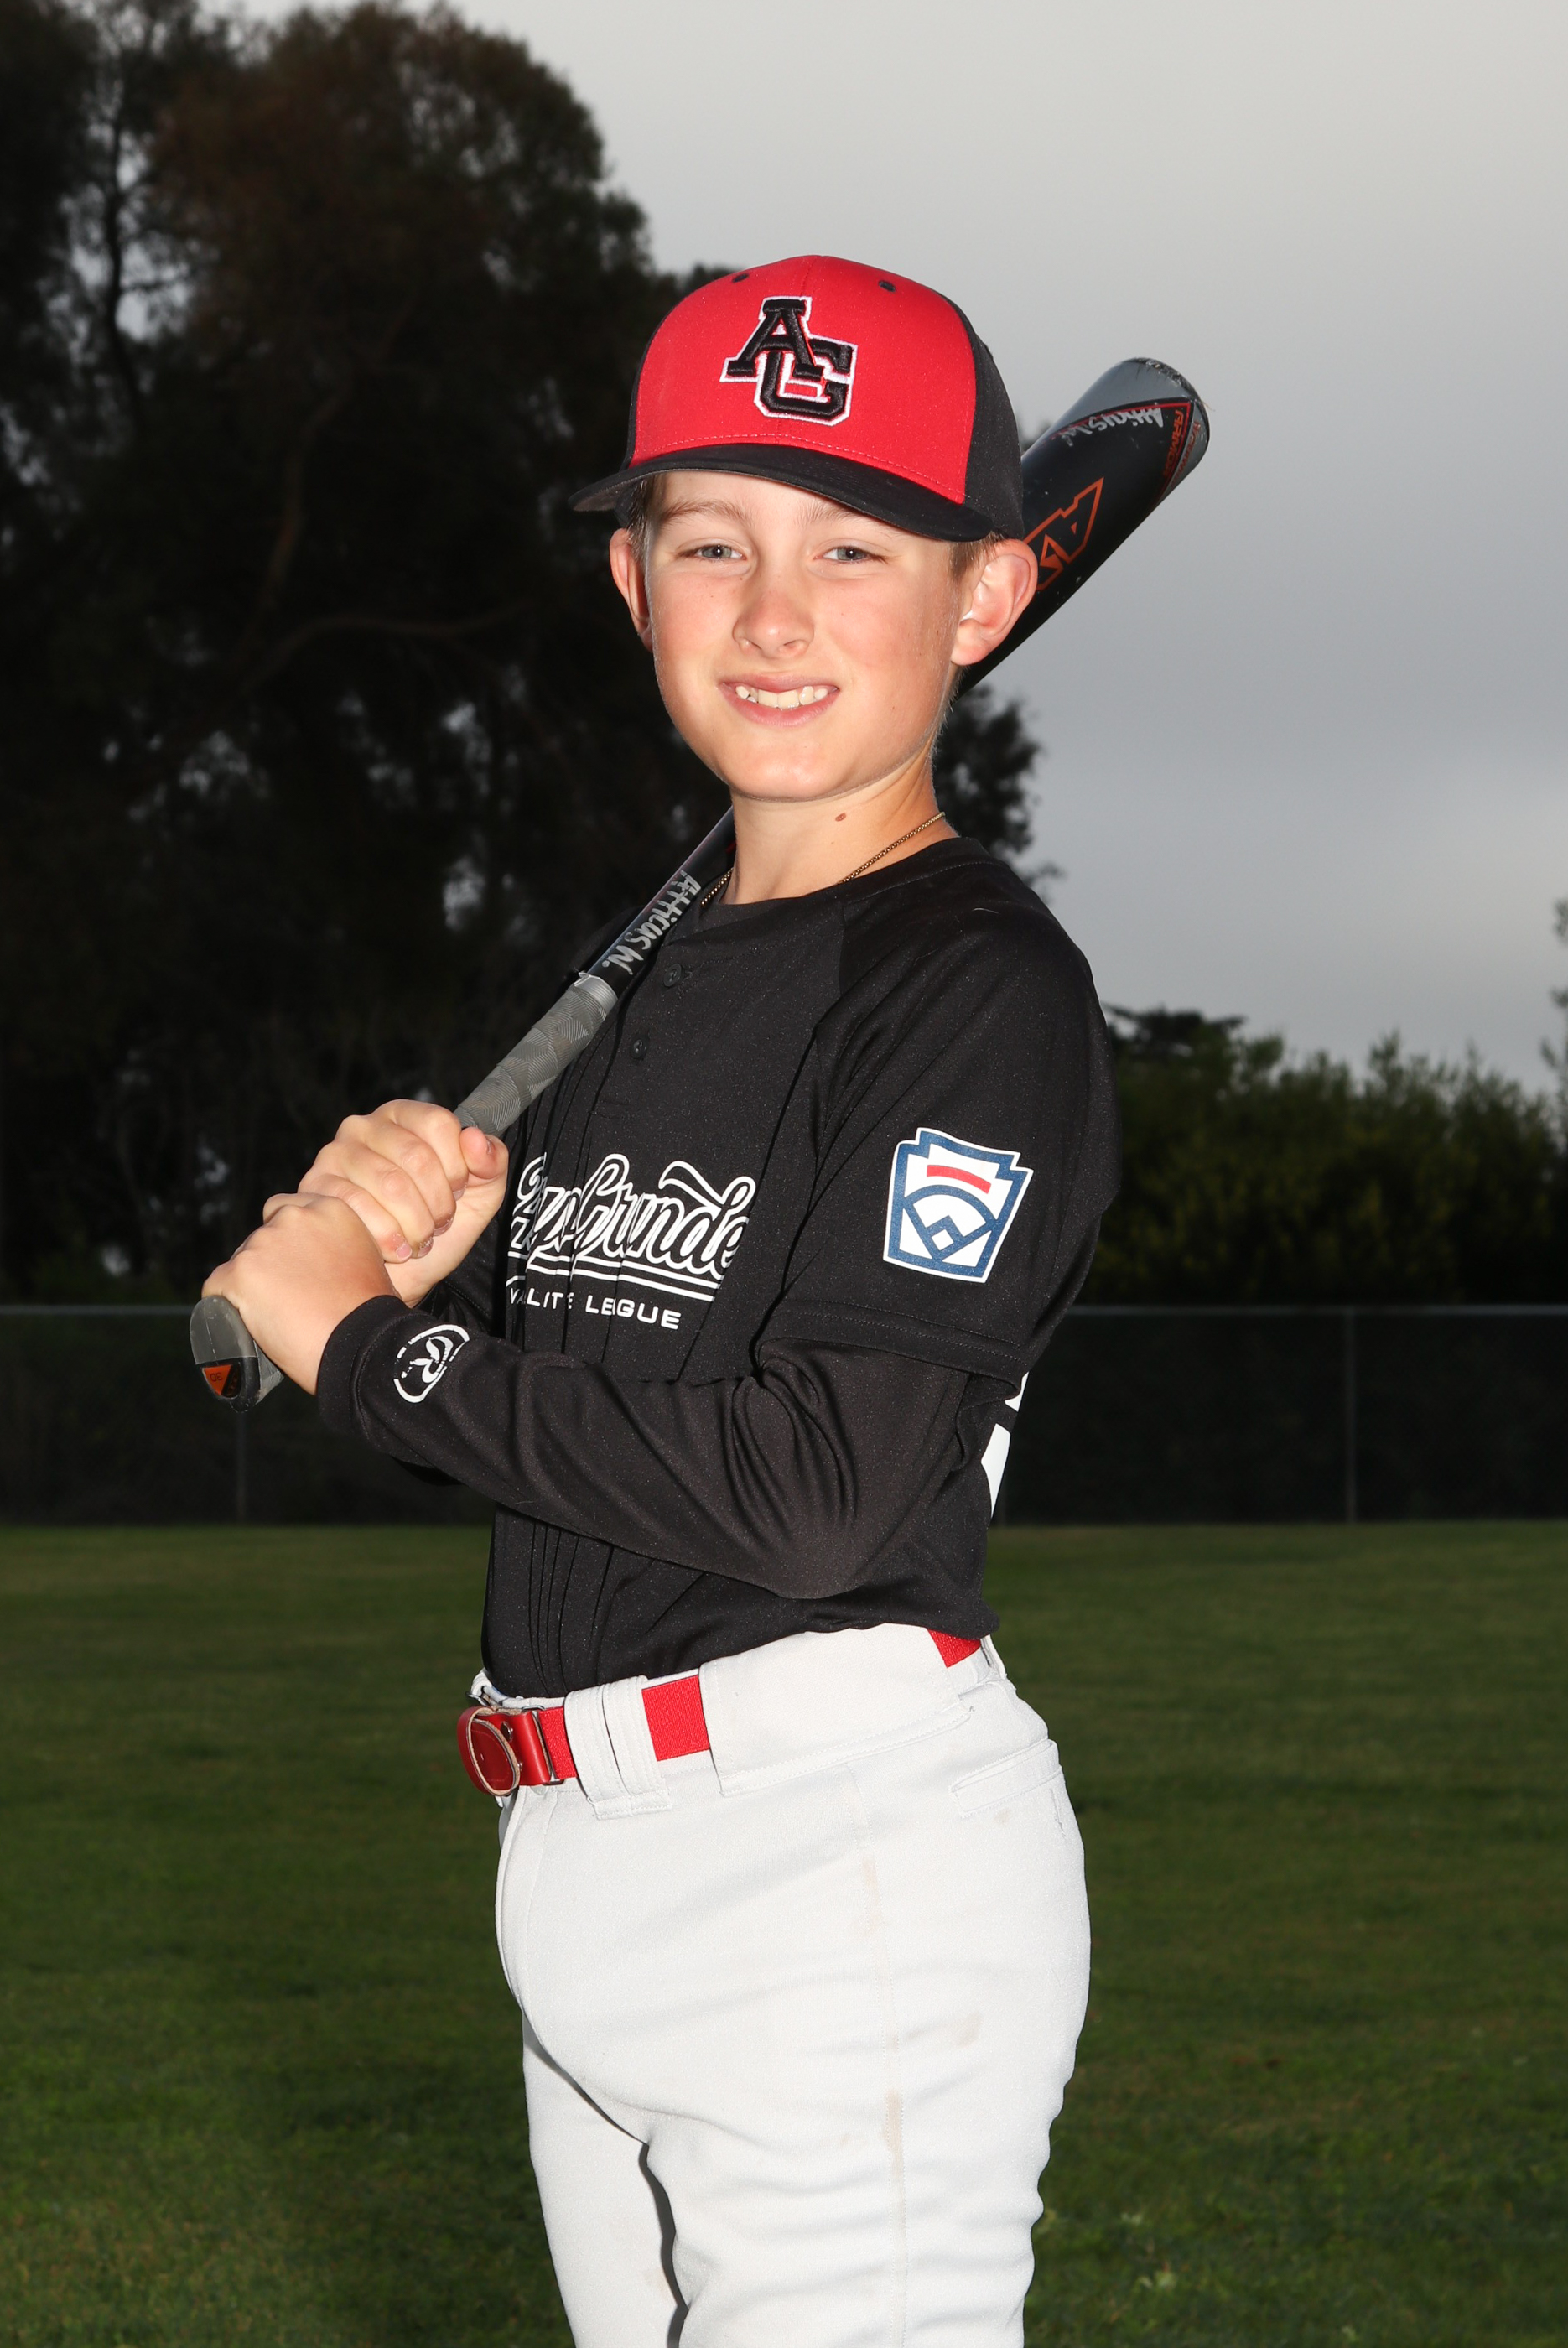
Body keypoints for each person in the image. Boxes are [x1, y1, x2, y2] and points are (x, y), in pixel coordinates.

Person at [204, 254, 1119, 2346]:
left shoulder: (974, 990)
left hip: (830, 1876)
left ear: (984, 596)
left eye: (852, 548)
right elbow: (599, 1424)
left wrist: (376, 1349)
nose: (773, 611)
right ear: (634, 583)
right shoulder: (647, 990)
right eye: (712, 542)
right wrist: (432, 1272)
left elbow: (816, 1490)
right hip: (579, 1842)